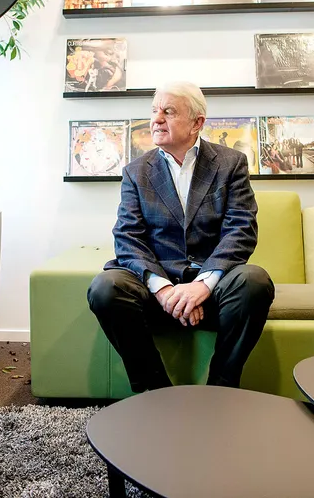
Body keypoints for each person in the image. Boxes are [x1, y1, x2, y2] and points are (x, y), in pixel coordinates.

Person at [88, 81, 274, 392]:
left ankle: (221, 389)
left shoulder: (230, 164)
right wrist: (164, 290)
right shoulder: (136, 171)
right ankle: (156, 390)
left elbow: (241, 230)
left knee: (254, 281)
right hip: (155, 291)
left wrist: (201, 285)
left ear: (197, 122)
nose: (157, 119)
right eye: (154, 110)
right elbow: (128, 238)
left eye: (169, 111)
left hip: (212, 290)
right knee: (106, 287)